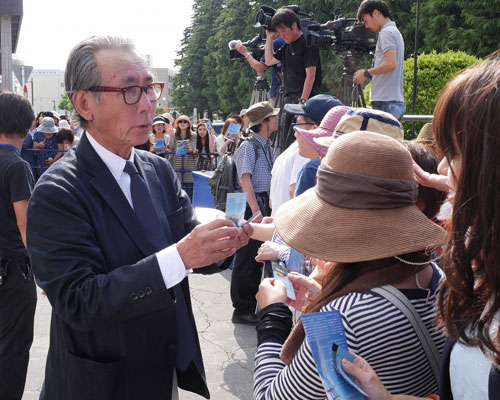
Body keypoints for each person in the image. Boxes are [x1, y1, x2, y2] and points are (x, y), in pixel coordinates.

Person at [26, 35, 252, 400]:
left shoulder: (155, 170)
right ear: (84, 103)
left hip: (164, 371)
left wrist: (227, 240)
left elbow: (188, 237)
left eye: (150, 89)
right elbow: (79, 302)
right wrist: (180, 256)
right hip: (103, 382)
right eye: (130, 91)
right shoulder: (58, 191)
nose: (148, 105)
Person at [340, 52, 500, 400]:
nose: (442, 169)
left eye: (455, 152)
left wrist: (273, 316)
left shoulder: (351, 311)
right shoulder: (480, 270)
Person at [254, 131, 447, 399]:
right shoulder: (438, 278)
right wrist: (318, 303)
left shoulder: (344, 318)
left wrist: (273, 316)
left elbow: (270, 397)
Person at [0, 92, 37, 400]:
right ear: (29, 125)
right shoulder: (16, 165)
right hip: (12, 274)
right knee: (12, 350)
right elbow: (26, 224)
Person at [230, 101, 278, 325]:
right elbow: (244, 179)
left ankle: (249, 306)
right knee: (247, 259)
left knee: (256, 257)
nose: (277, 120)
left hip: (260, 204)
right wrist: (256, 210)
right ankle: (242, 309)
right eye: (273, 117)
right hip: (252, 205)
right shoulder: (248, 146)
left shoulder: (264, 145)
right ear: (265, 122)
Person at [269, 94, 342, 215]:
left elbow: (275, 201)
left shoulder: (296, 152)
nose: (295, 132)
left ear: (316, 130)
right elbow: (295, 194)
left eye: (298, 124)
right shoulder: (302, 152)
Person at [265, 7, 323, 152]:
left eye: (284, 30)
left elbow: (311, 75)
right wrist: (270, 37)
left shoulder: (308, 43)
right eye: (279, 31)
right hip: (289, 99)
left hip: (305, 101)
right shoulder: (287, 46)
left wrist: (302, 102)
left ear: (295, 26)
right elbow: (269, 60)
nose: (282, 35)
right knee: (286, 144)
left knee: (300, 143)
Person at [353, 0, 405, 120]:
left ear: (376, 13)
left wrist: (366, 73)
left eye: (366, 21)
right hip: (390, 101)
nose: (366, 26)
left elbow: (391, 64)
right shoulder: (394, 31)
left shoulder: (386, 33)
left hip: (385, 102)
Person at [236, 36, 285, 107]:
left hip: (279, 94)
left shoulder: (277, 42)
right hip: (287, 90)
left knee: (273, 116)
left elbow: (259, 67)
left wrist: (246, 53)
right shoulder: (286, 39)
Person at [167, 115, 198, 200]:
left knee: (189, 191)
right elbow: (170, 147)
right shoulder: (174, 134)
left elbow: (193, 148)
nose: (182, 123)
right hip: (177, 165)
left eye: (185, 121)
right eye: (180, 121)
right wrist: (171, 136)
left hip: (189, 165)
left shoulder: (194, 135)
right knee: (178, 190)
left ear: (189, 124)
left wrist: (189, 149)